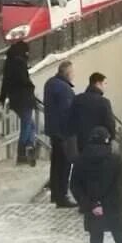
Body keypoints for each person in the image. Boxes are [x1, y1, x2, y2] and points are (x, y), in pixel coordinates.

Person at [70, 126, 122, 243]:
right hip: (114, 208)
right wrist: (106, 204)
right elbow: (120, 186)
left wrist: (91, 205)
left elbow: (75, 186)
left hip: (93, 211)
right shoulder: (116, 160)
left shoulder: (80, 161)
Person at [0, 40, 38, 166]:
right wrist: (31, 87)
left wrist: (3, 96)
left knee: (30, 124)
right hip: (24, 98)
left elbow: (5, 81)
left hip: (15, 99)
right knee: (27, 125)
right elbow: (23, 80)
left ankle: (29, 146)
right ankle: (22, 152)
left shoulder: (9, 62)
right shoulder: (19, 62)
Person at [42, 60, 76, 207]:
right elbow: (67, 112)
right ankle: (61, 195)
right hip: (63, 132)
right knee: (63, 165)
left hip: (53, 130)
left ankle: (56, 194)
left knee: (56, 164)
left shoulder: (51, 84)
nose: (74, 74)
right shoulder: (64, 89)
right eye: (73, 72)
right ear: (67, 73)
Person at [69, 72, 115, 155]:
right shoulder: (104, 102)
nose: (106, 87)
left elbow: (71, 120)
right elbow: (110, 124)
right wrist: (110, 138)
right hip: (99, 144)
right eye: (105, 83)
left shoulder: (77, 99)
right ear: (98, 84)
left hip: (80, 142)